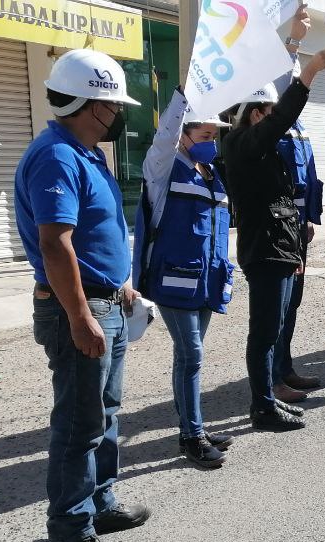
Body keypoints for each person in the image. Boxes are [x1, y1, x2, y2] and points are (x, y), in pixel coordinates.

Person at [14, 48, 147, 542]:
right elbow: (55, 245)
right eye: (114, 106)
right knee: (78, 424)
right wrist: (80, 316)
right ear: (93, 106)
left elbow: (98, 234)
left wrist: (122, 286)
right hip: (78, 307)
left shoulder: (86, 152)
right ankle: (70, 534)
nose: (119, 116)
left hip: (104, 302)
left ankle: (100, 502)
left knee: (105, 412)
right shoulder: (57, 156)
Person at [222, 48, 325, 431]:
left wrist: (294, 252)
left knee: (277, 324)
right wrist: (307, 76)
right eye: (270, 113)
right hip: (263, 251)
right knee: (265, 331)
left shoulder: (265, 152)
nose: (278, 124)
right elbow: (283, 118)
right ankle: (262, 406)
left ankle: (269, 398)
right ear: (256, 114)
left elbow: (283, 203)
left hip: (281, 249)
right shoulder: (242, 146)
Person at [132, 90, 234, 469]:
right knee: (192, 354)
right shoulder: (163, 167)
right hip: (174, 279)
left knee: (188, 356)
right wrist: (183, 96)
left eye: (213, 137)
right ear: (184, 134)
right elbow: (163, 137)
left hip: (205, 279)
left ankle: (192, 427)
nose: (212, 144)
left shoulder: (209, 171)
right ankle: (192, 436)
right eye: (205, 136)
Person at [271, 8, 324, 399]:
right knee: (276, 306)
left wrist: (311, 218)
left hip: (299, 224)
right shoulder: (272, 121)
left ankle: (284, 366)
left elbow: (310, 175)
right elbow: (283, 76)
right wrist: (294, 39)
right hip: (277, 226)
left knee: (293, 304)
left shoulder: (300, 128)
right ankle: (272, 376)